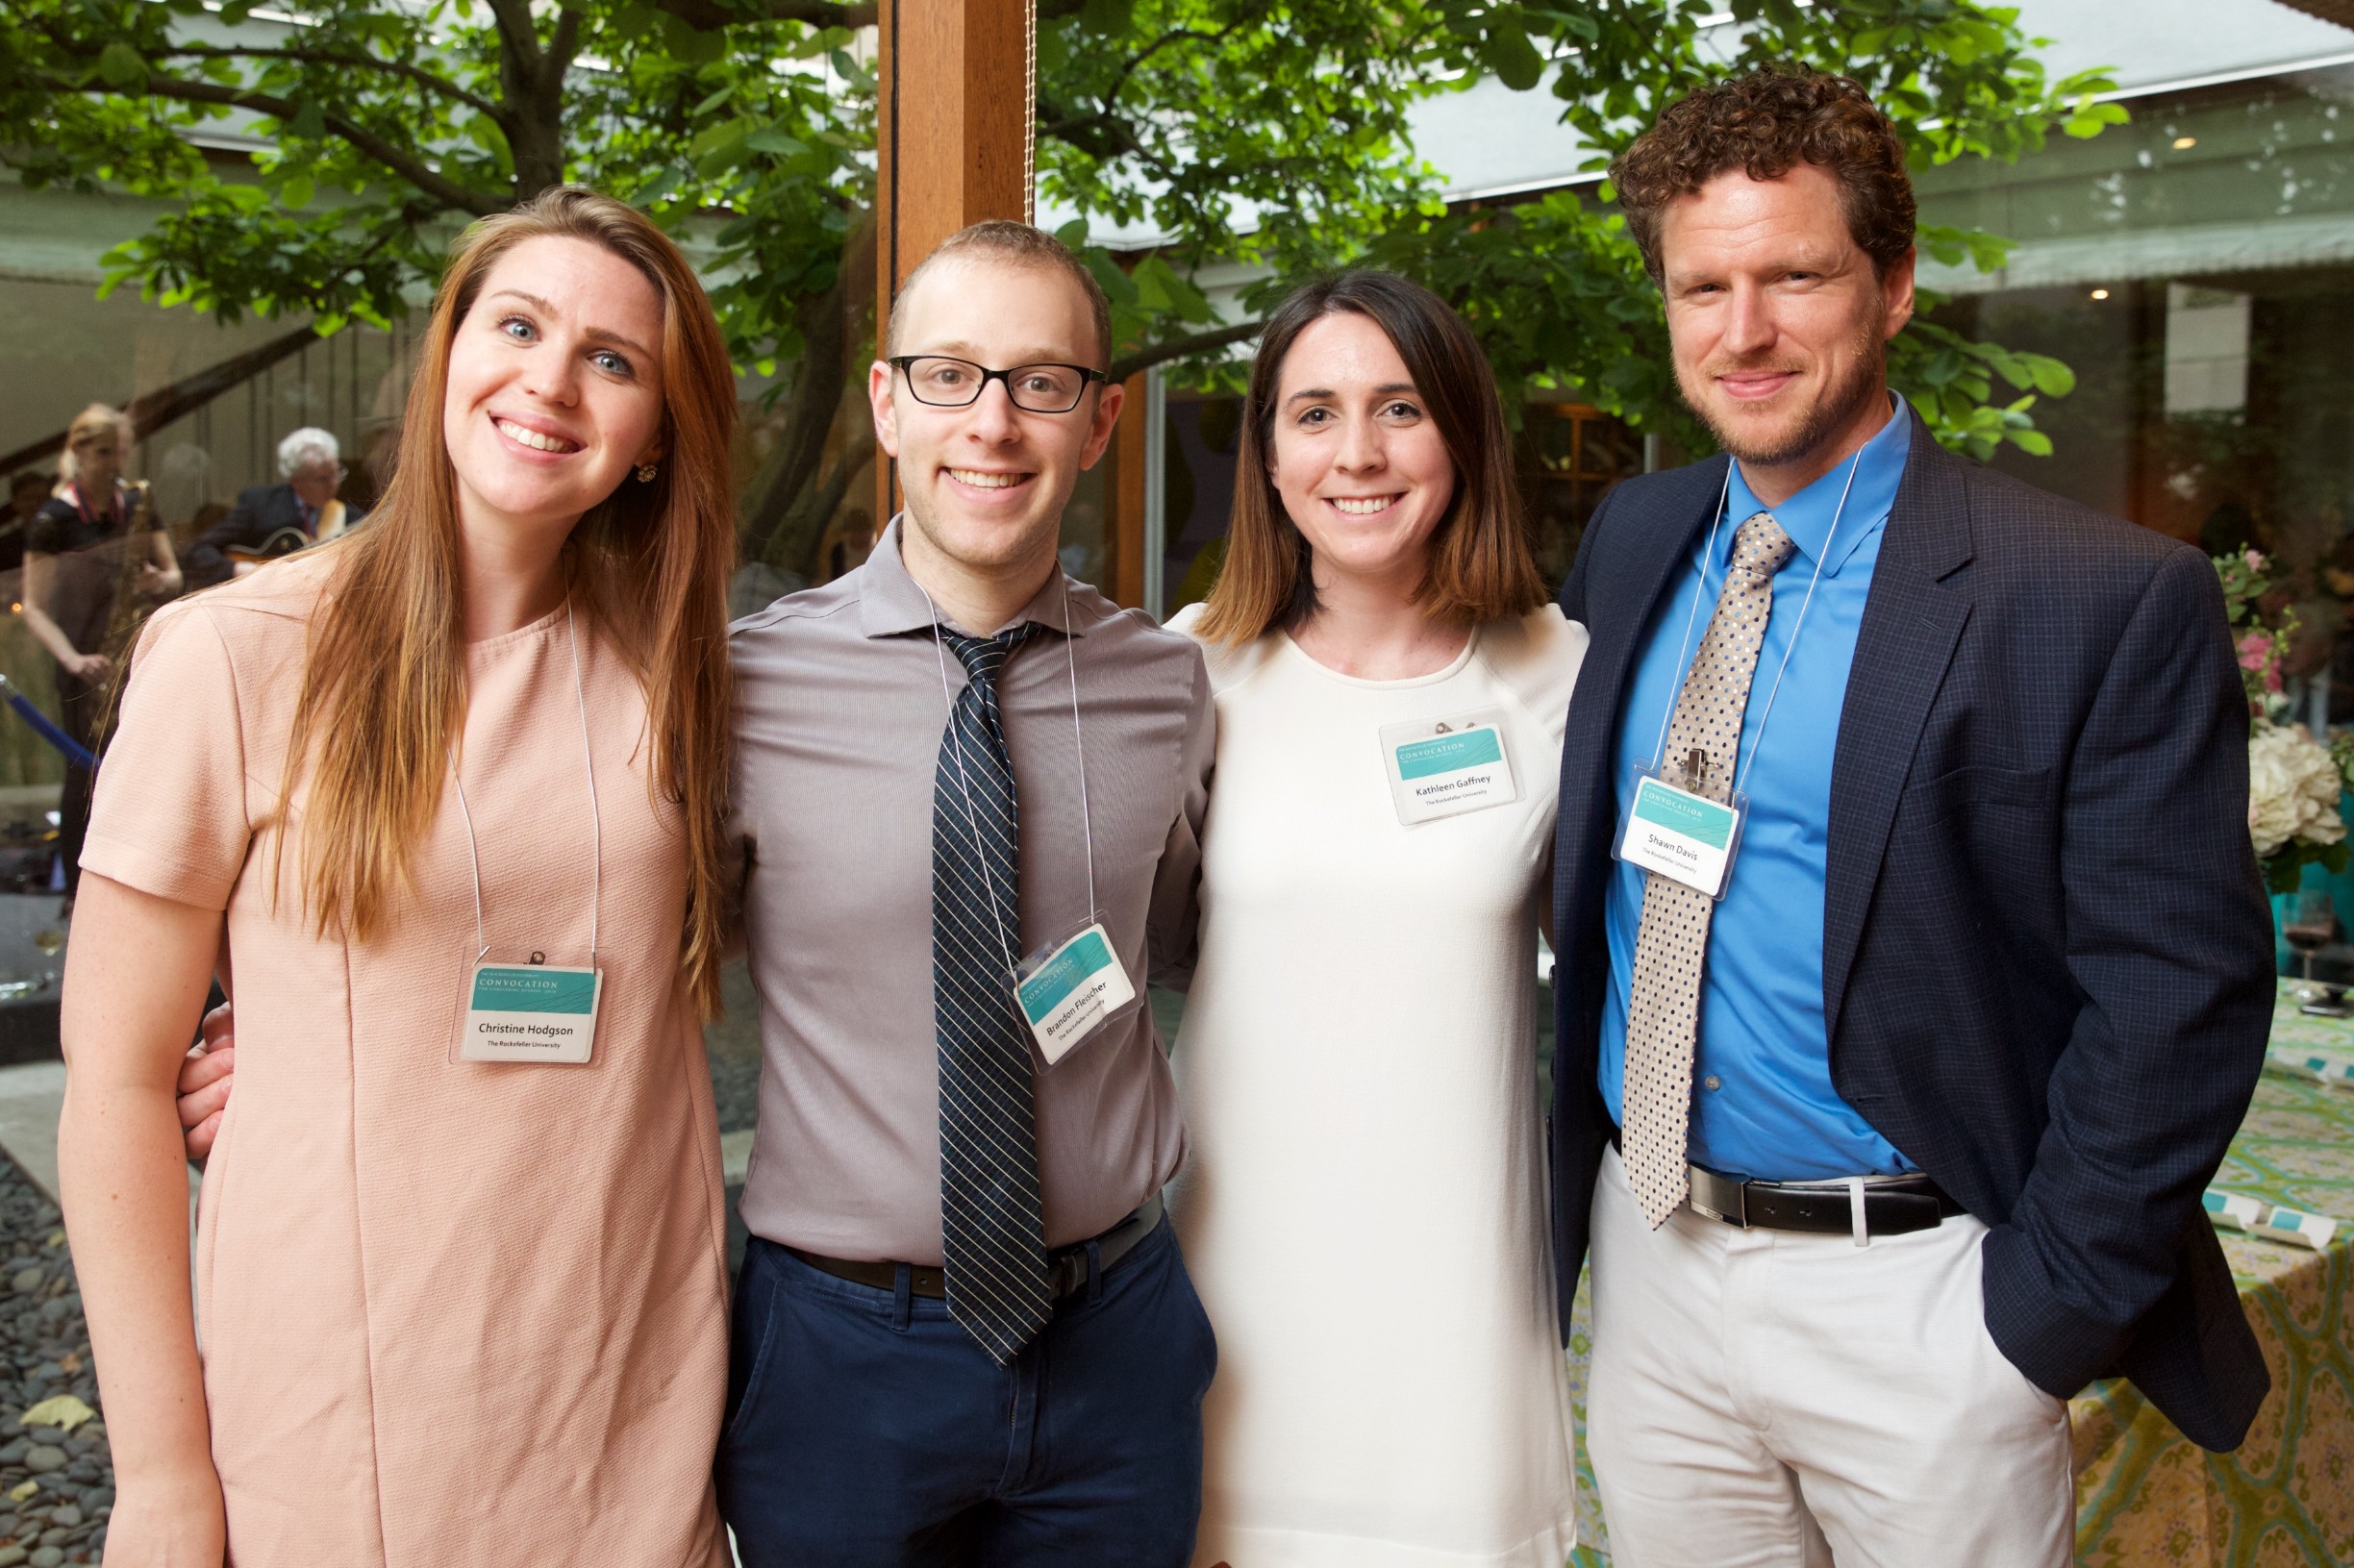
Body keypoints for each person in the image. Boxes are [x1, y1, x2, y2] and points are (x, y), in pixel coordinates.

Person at [1546, 69, 2274, 1566]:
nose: (1744, 329)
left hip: (1925, 1296)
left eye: (1795, 276)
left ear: (1892, 284)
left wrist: (2034, 1319)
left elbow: (2178, 993)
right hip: (1655, 1258)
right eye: (1703, 286)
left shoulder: (2092, 593)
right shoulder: (1634, 537)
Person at [58, 186, 740, 1568]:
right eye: (519, 326)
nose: (551, 380)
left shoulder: (685, 672)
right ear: (448, 354)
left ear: (660, 433)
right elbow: (116, 1080)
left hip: (629, 1397)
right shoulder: (236, 654)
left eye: (612, 359)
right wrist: (161, 1476)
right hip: (340, 1407)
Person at [714, 220, 1217, 1567]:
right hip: (840, 1358)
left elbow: (1182, 939)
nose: (992, 422)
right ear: (888, 403)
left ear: (1100, 422)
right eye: (951, 375)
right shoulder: (743, 689)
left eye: (1040, 381)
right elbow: (630, 949)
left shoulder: (1167, 686)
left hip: (1115, 1339)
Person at [1168, 272, 1587, 1567]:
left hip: (1454, 1307)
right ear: (1268, 457)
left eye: (1400, 408)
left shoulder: (1560, 669)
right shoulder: (1190, 669)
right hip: (1231, 1289)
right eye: (1315, 413)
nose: (1357, 452)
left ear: (1460, 434)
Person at [24, 404, 180, 901]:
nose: (114, 462)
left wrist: (159, 580)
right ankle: (78, 892)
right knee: (84, 774)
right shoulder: (54, 519)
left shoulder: (135, 503)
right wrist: (71, 658)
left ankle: (135, 880)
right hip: (84, 662)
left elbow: (174, 574)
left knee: (140, 768)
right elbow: (33, 606)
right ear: (79, 451)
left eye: (121, 452)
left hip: (136, 652)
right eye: (103, 452)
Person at [182, 427, 363, 588]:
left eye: (337, 473)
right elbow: (198, 552)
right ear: (296, 481)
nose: (334, 484)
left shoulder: (353, 519)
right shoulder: (259, 504)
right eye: (321, 479)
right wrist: (237, 569)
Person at [1, 469, 48, 576]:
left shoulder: (67, 534)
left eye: (41, 498)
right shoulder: (4, 547)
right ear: (15, 503)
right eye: (28, 498)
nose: (35, 504)